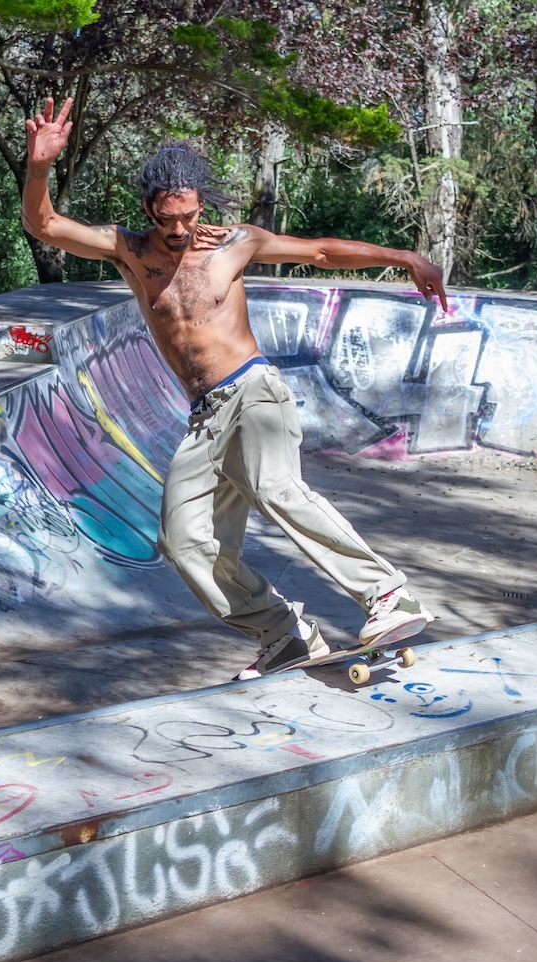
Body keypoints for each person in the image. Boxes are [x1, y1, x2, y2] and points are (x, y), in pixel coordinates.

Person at [23, 97, 451, 679]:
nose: (178, 231)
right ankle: (284, 633)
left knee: (275, 487)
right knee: (182, 538)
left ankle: (386, 594)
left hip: (253, 392)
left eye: (189, 216)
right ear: (148, 207)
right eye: (166, 219)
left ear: (202, 205)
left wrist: (402, 256)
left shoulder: (234, 243)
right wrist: (41, 167)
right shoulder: (129, 249)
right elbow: (43, 225)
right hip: (204, 415)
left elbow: (320, 251)